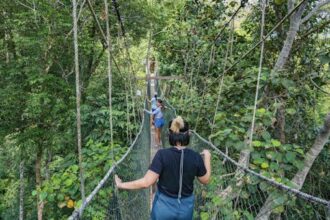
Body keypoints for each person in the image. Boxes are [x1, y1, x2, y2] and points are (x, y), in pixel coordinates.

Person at [115, 116, 211, 220]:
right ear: (188, 135)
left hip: (164, 206)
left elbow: (146, 182)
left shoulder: (162, 155)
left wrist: (120, 184)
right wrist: (207, 157)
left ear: (170, 135)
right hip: (186, 208)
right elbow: (205, 180)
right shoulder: (195, 156)